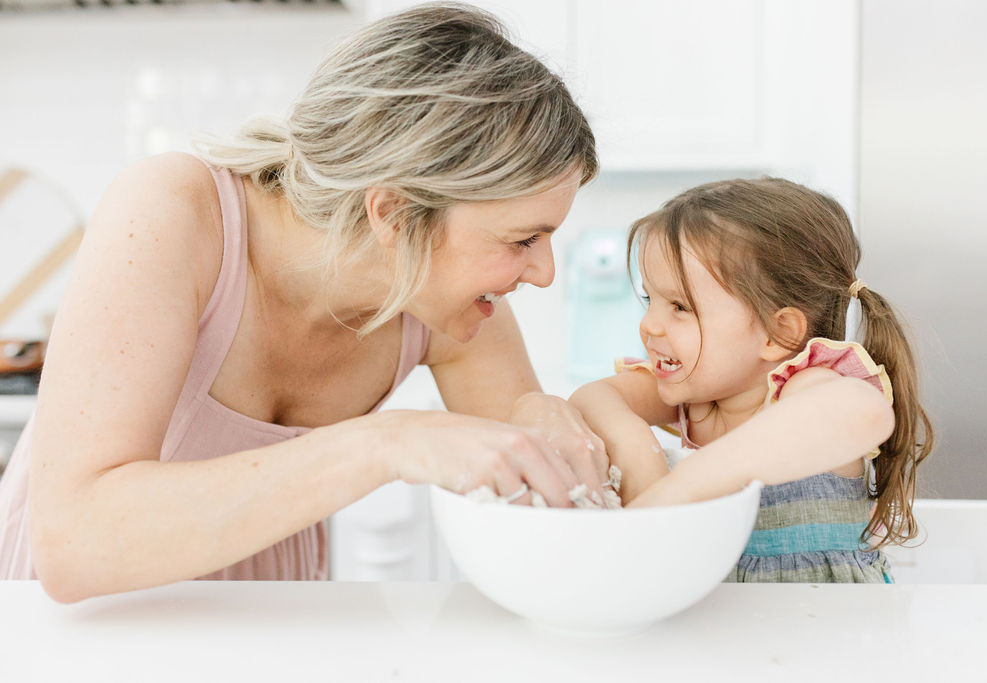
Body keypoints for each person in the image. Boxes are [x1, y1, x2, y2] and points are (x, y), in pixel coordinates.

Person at [0, 3, 607, 602]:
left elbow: (553, 519)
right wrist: (384, 442)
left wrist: (567, 413)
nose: (546, 274)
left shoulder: (444, 306)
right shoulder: (176, 211)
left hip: (270, 624)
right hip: (72, 635)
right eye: (523, 240)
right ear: (394, 213)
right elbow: (72, 542)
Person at [569, 177, 934, 583]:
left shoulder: (805, 387)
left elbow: (865, 413)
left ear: (777, 334)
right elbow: (591, 397)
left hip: (829, 626)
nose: (649, 324)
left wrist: (683, 487)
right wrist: (635, 449)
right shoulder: (695, 395)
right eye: (648, 299)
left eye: (679, 306)